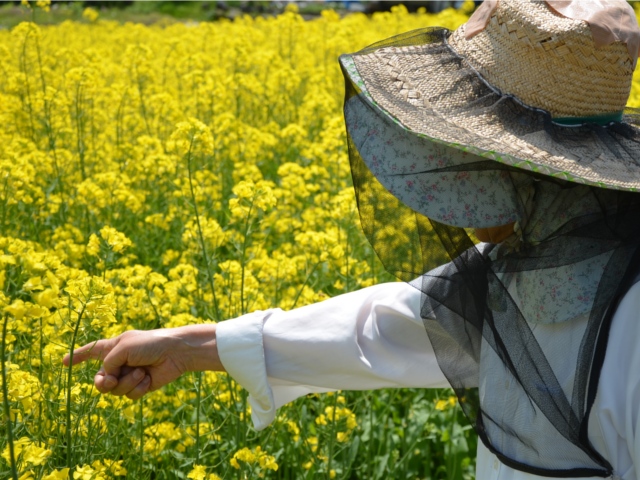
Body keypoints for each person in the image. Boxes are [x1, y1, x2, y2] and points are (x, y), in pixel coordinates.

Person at [64, 1, 640, 478]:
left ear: (536, 173)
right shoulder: (539, 251)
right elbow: (390, 323)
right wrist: (195, 347)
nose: (450, 182)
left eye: (471, 160)